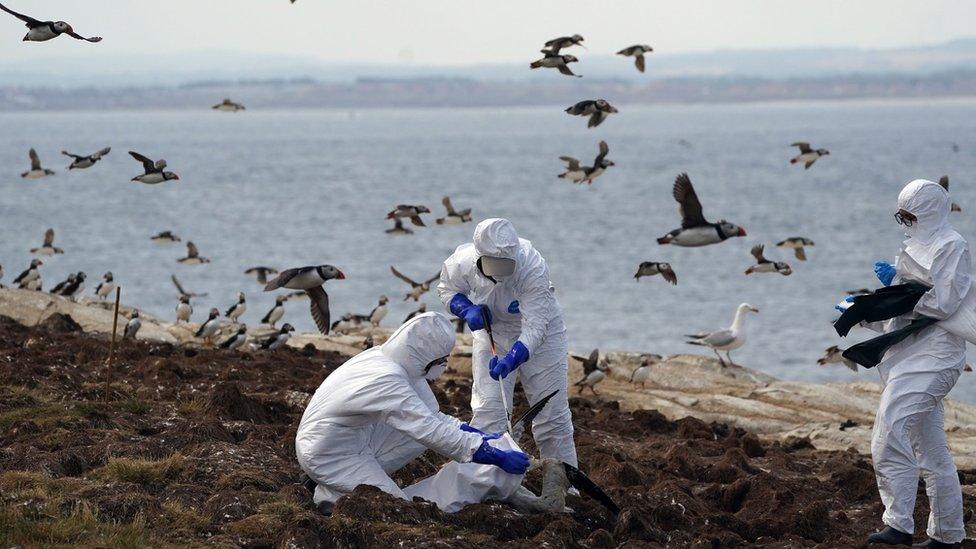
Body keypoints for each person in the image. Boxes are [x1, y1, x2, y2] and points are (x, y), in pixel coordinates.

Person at [295, 312, 530, 510]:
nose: (444, 365)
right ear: (425, 355)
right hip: (328, 454)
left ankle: (331, 492)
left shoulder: (397, 361)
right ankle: (330, 490)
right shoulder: (386, 380)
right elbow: (428, 429)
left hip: (352, 437)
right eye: (441, 359)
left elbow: (433, 416)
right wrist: (493, 455)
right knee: (394, 507)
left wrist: (480, 436)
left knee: (418, 435)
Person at [863, 179, 968, 548]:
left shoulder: (952, 246)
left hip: (937, 357)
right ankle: (948, 534)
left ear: (928, 212)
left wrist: (901, 286)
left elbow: (943, 304)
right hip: (911, 354)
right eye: (901, 216)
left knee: (889, 433)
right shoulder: (916, 245)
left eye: (910, 215)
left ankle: (898, 526)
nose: (905, 222)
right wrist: (866, 310)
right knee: (931, 449)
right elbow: (907, 308)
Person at [437, 218, 578, 467]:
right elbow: (447, 289)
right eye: (494, 265)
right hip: (492, 332)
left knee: (551, 415)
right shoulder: (462, 261)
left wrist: (513, 358)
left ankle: (564, 483)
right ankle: (482, 480)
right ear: (480, 257)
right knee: (488, 411)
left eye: (506, 266)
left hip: (543, 335)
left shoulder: (532, 266)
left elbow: (536, 327)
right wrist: (466, 309)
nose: (501, 272)